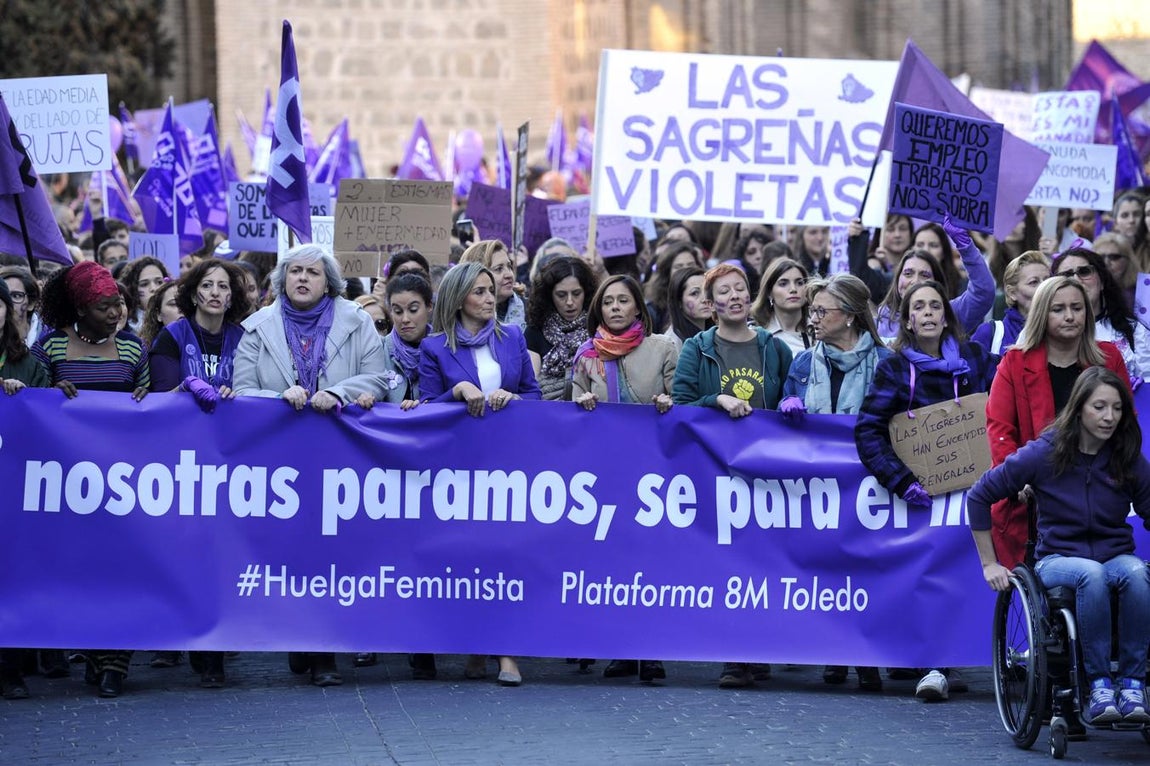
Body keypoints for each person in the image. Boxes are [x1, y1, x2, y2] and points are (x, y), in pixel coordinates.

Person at [232, 244, 390, 688]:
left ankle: (323, 652)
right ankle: (301, 641)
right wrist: (278, 399)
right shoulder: (257, 328)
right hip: (280, 462)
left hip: (341, 458)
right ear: (282, 279)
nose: (302, 278)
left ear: (329, 282)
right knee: (291, 554)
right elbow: (242, 392)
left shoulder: (357, 321)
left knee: (331, 553)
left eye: (312, 272)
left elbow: (381, 377)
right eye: (295, 271)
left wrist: (339, 392)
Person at [969, 367, 1150, 725]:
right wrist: (989, 564)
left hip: (1115, 555)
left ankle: (1132, 682)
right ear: (1079, 408)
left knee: (1136, 572)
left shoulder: (1126, 456)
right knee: (1091, 574)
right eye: (1099, 407)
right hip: (1057, 558)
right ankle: (1097, 684)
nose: (1109, 417)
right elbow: (979, 496)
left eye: (1116, 408)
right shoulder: (1044, 453)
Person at [854, 280, 997, 702]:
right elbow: (868, 430)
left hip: (975, 493)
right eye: (920, 307)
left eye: (937, 305)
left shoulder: (975, 359)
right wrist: (902, 481)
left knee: (971, 577)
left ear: (947, 316)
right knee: (931, 580)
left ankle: (980, 656)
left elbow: (1003, 407)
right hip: (923, 499)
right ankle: (934, 664)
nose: (930, 312)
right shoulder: (894, 368)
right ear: (908, 319)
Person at [417, 261, 540, 686]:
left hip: (505, 468)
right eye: (480, 291)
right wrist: (456, 392)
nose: (490, 298)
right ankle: (475, 646)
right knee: (470, 560)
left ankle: (506, 655)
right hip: (458, 470)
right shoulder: (435, 348)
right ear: (458, 298)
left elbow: (534, 395)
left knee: (503, 557)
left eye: (492, 290)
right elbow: (424, 409)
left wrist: (512, 397)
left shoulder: (513, 339)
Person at [31, 262, 148, 697]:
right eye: (104, 306)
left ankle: (115, 662)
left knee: (126, 571)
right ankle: (95, 650)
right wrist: (47, 396)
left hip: (127, 484)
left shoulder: (134, 350)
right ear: (81, 309)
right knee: (88, 573)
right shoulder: (51, 349)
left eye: (118, 303)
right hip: (70, 485)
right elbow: (29, 402)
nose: (115, 312)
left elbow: (155, 405)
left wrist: (148, 400)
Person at [673, 263, 792, 689]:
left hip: (764, 470)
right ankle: (733, 654)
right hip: (716, 469)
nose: (735, 296)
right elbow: (682, 403)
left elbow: (786, 395)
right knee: (728, 564)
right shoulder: (698, 348)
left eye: (741, 289)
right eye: (724, 292)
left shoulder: (773, 348)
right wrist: (717, 398)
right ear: (711, 304)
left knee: (764, 564)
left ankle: (759, 651)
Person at [777, 274, 888, 691]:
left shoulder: (885, 362)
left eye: (823, 311)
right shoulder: (805, 364)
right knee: (825, 569)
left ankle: (867, 656)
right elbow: (781, 422)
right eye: (813, 311)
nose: (814, 318)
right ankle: (833, 650)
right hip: (819, 484)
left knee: (864, 570)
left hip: (868, 486)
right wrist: (787, 406)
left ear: (851, 315)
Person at [985, 276, 1129, 572]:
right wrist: (1017, 478)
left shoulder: (1109, 357)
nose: (1070, 316)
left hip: (1096, 485)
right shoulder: (1014, 362)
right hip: (1037, 488)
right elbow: (999, 428)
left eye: (1077, 308)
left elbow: (1126, 422)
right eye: (1059, 309)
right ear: (1041, 314)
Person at [572, 275, 676, 682]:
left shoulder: (664, 349)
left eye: (623, 301)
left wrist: (670, 403)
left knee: (649, 564)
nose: (615, 307)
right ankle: (619, 649)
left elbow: (681, 402)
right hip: (605, 474)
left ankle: (650, 651)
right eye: (608, 301)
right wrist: (579, 402)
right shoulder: (587, 357)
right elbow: (570, 408)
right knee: (611, 564)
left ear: (638, 308)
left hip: (654, 474)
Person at [150, 259, 251, 416]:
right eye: (206, 285)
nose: (215, 292)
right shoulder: (173, 335)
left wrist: (234, 395)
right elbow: (160, 401)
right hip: (182, 427)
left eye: (223, 286)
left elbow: (252, 392)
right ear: (194, 297)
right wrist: (185, 386)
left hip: (228, 429)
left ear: (231, 299)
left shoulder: (243, 339)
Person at [872, 217, 995, 340]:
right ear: (897, 279)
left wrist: (965, 245)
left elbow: (983, 293)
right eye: (908, 273)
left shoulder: (949, 314)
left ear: (936, 284)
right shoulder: (879, 320)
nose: (915, 281)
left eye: (924, 275)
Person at [1052, 246, 1150, 378]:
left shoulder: (1135, 330)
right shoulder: (1042, 332)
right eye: (1066, 275)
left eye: (1084, 271)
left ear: (1102, 282)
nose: (1076, 280)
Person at [525, 256, 597, 400]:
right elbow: (530, 383)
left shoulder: (598, 328)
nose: (570, 302)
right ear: (549, 296)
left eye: (576, 294)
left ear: (587, 293)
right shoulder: (535, 331)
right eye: (561, 295)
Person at [970, 250, 1051, 354]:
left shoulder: (1062, 330)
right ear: (1012, 293)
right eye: (1033, 282)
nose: (1044, 287)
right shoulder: (989, 333)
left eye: (1048, 280)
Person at [381, 272, 433, 407]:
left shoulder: (443, 349)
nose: (405, 319)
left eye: (413, 309)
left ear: (429, 306)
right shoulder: (379, 349)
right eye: (397, 311)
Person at [750, 258, 811, 356]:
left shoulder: (819, 329)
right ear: (769, 293)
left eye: (799, 283)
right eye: (783, 284)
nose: (793, 289)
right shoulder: (756, 333)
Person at [459, 240, 525, 328]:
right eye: (498, 269)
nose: (509, 274)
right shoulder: (461, 320)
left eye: (509, 266)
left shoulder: (532, 311)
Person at [660, 266, 712, 354]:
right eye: (694, 293)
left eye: (707, 291)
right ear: (679, 302)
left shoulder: (715, 332)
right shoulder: (672, 343)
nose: (705, 299)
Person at [119, 256, 170, 333]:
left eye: (159, 282)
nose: (154, 288)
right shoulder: (124, 326)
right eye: (144, 284)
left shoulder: (176, 320)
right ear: (132, 290)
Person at [1092, 232, 1138, 311]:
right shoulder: (1086, 293)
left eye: (1114, 257)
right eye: (1100, 257)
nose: (1106, 262)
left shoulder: (1141, 293)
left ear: (1128, 261)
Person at [1, 266, 43, 346]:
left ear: (31, 303)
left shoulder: (48, 341)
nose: (8, 302)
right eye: (2, 296)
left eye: (16, 296)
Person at [138, 280, 183, 349]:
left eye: (187, 304)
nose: (182, 309)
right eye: (173, 304)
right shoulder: (144, 351)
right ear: (158, 314)